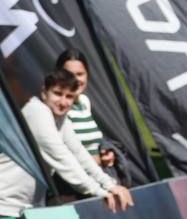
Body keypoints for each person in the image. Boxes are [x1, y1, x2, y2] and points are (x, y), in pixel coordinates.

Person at [22, 69, 133, 211]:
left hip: (29, 206)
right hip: (5, 206)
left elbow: (79, 153)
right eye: (57, 93)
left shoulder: (60, 118)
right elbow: (62, 158)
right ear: (44, 92)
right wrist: (100, 192)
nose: (63, 102)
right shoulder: (36, 111)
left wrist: (110, 184)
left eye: (69, 96)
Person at [57, 48, 129, 185]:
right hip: (75, 185)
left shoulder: (84, 102)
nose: (75, 79)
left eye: (80, 74)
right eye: (69, 74)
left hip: (98, 179)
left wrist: (106, 153)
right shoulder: (58, 109)